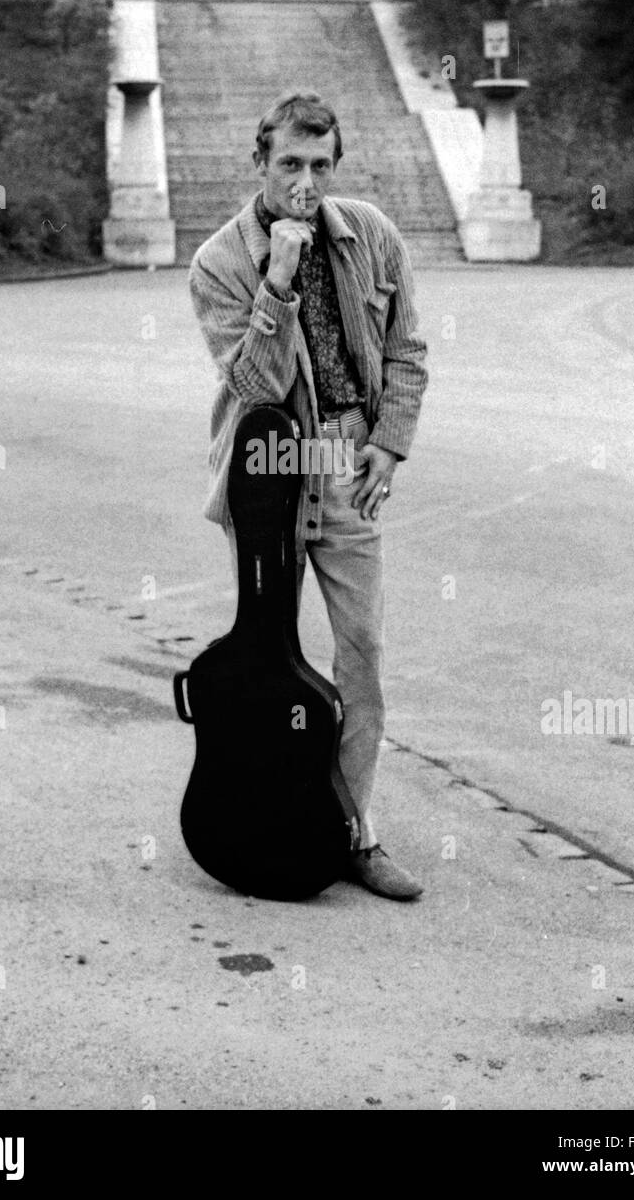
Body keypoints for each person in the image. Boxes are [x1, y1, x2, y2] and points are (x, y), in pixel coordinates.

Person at [188, 91, 428, 900]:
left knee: (361, 658)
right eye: (289, 164)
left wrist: (389, 444)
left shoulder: (373, 235)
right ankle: (267, 817)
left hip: (349, 466)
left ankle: (352, 833)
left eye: (321, 165)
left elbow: (406, 352)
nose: (306, 181)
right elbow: (255, 382)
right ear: (259, 163)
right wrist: (280, 277)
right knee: (266, 661)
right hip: (267, 481)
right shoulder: (219, 263)